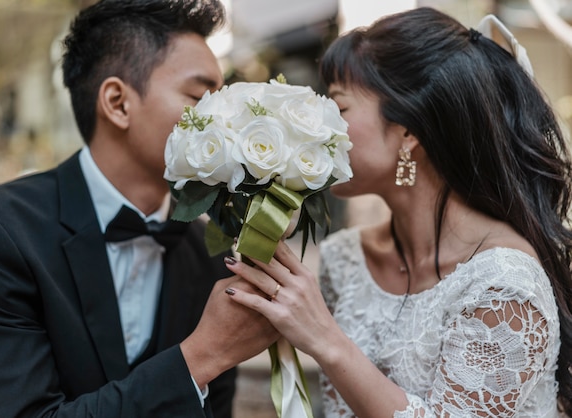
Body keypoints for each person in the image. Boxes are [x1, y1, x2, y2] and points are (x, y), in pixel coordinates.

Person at [223, 6, 572, 417]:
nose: (317, 128)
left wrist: (325, 340)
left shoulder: (503, 283)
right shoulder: (345, 258)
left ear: (408, 130)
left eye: (339, 106)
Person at [0, 0, 278, 417]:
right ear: (118, 102)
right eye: (200, 96)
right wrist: (201, 356)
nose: (226, 120)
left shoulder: (209, 253)